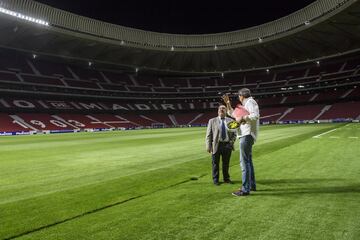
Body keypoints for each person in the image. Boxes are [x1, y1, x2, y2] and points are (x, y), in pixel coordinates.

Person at [223, 88, 259, 196]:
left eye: (239, 96)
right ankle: (251, 185)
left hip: (246, 135)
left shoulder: (250, 102)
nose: (238, 98)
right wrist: (228, 103)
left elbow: (255, 116)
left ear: (241, 96)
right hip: (246, 135)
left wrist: (242, 118)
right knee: (248, 162)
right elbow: (232, 113)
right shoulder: (245, 105)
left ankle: (245, 189)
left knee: (244, 162)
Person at [205, 105, 237, 185]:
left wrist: (231, 143)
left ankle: (226, 179)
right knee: (215, 163)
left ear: (226, 111)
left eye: (223, 108)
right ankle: (216, 180)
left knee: (226, 163)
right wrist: (208, 146)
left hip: (227, 145)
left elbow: (234, 134)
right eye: (220, 108)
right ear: (218, 111)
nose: (221, 110)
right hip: (216, 145)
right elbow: (209, 134)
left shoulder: (231, 120)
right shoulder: (212, 121)